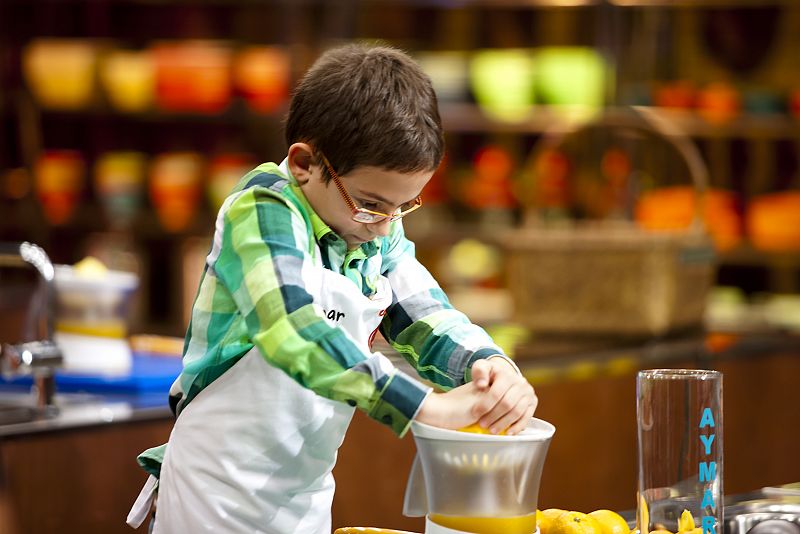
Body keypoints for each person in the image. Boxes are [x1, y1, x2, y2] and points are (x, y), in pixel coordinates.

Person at [127, 43, 537, 533]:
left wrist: (489, 366)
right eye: (371, 204)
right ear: (304, 163)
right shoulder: (260, 212)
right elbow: (293, 330)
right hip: (215, 495)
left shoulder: (372, 231)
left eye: (402, 207)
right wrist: (423, 406)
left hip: (305, 496)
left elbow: (424, 313)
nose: (386, 226)